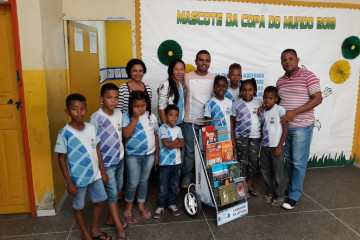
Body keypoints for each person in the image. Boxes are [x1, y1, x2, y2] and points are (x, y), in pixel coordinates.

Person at [55, 93, 111, 240]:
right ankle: (84, 233)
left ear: (86, 110)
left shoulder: (91, 128)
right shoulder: (65, 133)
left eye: (82, 109)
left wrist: (103, 172)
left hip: (95, 174)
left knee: (101, 200)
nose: (79, 112)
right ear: (67, 111)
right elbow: (61, 159)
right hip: (77, 178)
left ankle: (93, 229)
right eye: (74, 109)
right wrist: (69, 183)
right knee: (78, 206)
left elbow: (97, 149)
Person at [277, 49, 322, 210]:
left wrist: (294, 113)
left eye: (290, 58)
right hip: (285, 128)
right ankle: (291, 188)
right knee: (289, 161)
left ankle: (294, 194)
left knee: (298, 162)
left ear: (297, 60)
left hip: (302, 126)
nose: (287, 61)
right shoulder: (280, 81)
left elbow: (318, 98)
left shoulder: (308, 76)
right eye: (284, 59)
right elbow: (279, 101)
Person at [90, 83, 128, 240]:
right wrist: (102, 170)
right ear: (101, 98)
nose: (113, 101)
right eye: (109, 97)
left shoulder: (119, 113)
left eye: (116, 97)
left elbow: (122, 135)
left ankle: (109, 219)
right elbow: (94, 144)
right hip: (106, 164)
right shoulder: (96, 118)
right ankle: (119, 228)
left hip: (120, 160)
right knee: (111, 195)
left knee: (117, 191)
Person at [122, 91, 159, 224]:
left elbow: (155, 135)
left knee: (144, 181)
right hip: (133, 155)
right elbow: (126, 134)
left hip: (149, 154)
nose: (139, 109)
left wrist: (157, 154)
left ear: (147, 104)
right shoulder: (127, 116)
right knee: (132, 183)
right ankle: (128, 206)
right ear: (131, 105)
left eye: (142, 105)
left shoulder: (151, 116)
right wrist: (135, 119)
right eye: (136, 106)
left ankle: (141, 204)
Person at [182, 50, 215, 188]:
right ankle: (187, 176)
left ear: (210, 62)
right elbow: (176, 90)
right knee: (190, 152)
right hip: (190, 121)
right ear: (196, 61)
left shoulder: (213, 77)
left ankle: (204, 177)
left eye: (207, 60)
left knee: (207, 151)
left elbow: (222, 94)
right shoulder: (187, 77)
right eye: (201, 60)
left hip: (207, 122)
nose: (204, 63)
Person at [153, 104, 185, 219]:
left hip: (177, 163)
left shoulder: (178, 129)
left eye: (176, 115)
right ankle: (160, 206)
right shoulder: (162, 128)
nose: (174, 118)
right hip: (165, 164)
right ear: (165, 116)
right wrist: (177, 140)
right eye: (171, 115)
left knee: (174, 185)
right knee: (163, 186)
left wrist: (174, 142)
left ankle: (172, 204)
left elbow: (182, 144)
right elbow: (166, 144)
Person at [233, 78, 262, 197]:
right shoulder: (236, 103)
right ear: (240, 91)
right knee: (242, 161)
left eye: (250, 90)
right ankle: (243, 184)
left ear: (254, 90)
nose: (247, 93)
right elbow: (232, 121)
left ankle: (250, 183)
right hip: (241, 136)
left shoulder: (259, 102)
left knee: (253, 160)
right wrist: (232, 137)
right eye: (244, 90)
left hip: (256, 136)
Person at [259, 86, 288, 207]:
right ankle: (270, 193)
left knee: (277, 174)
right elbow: (263, 128)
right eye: (265, 98)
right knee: (266, 172)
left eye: (270, 98)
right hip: (265, 147)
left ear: (276, 99)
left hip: (276, 148)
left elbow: (286, 130)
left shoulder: (280, 110)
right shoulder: (262, 112)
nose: (267, 100)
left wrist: (279, 147)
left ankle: (280, 196)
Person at [204, 76, 236, 143]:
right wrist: (208, 139)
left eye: (224, 86)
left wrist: (232, 138)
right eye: (218, 86)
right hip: (214, 138)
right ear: (214, 87)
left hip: (227, 137)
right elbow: (207, 122)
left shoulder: (229, 102)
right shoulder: (209, 103)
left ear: (227, 87)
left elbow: (231, 121)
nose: (221, 88)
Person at [158, 59, 185, 125]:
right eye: (176, 69)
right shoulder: (166, 85)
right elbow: (161, 108)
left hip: (178, 123)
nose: (179, 72)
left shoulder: (180, 85)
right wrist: (166, 127)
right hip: (168, 125)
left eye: (182, 69)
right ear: (171, 70)